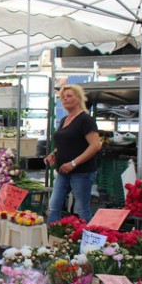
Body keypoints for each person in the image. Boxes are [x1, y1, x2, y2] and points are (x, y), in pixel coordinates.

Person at [44, 84, 102, 223]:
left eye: (69, 96)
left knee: (82, 208)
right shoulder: (65, 119)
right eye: (63, 97)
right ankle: (52, 237)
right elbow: (67, 142)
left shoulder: (85, 119)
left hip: (81, 172)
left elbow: (96, 145)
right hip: (63, 171)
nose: (65, 99)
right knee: (53, 205)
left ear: (79, 98)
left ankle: (89, 239)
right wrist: (54, 153)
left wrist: (74, 163)